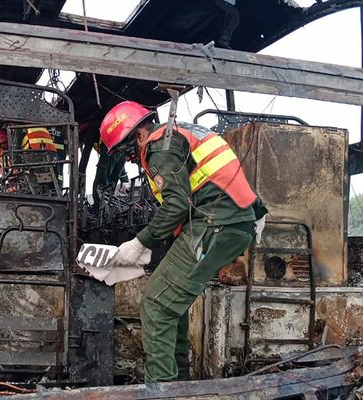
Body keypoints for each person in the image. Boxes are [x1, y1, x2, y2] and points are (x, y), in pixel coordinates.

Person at [99, 101, 267, 383]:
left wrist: (141, 243)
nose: (129, 159)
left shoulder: (158, 147)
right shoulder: (182, 133)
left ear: (139, 133)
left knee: (156, 304)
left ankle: (162, 389)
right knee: (170, 304)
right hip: (228, 222)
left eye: (127, 151)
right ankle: (178, 384)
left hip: (215, 224)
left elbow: (177, 204)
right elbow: (210, 184)